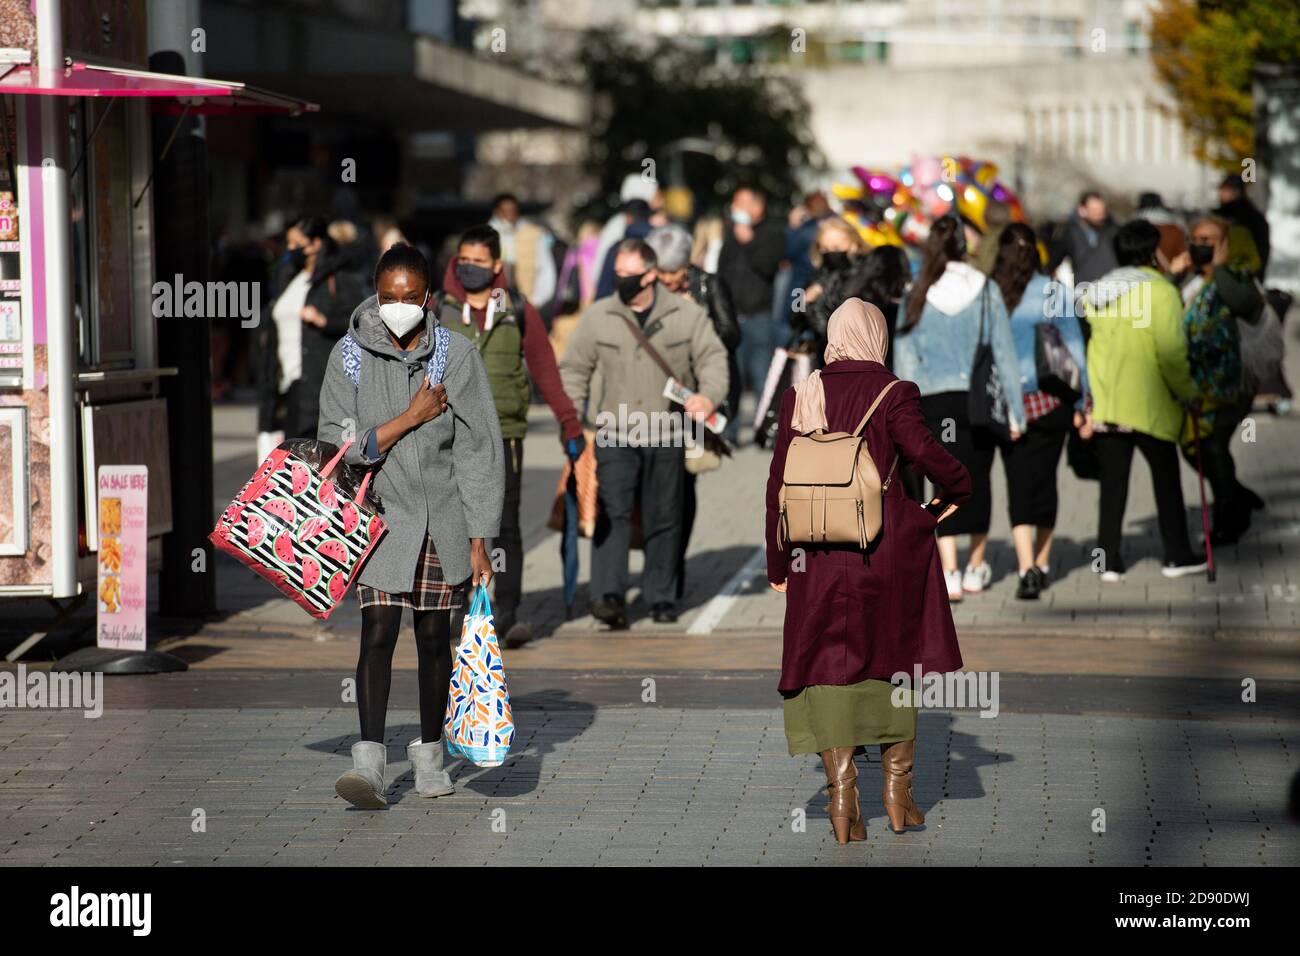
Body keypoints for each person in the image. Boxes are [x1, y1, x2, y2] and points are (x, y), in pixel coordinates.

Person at [765, 298, 971, 842]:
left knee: (828, 661)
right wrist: (959, 487)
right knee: (895, 658)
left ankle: (841, 798)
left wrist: (778, 559)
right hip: (884, 548)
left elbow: (777, 485)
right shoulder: (894, 391)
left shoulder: (801, 393)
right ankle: (899, 796)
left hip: (815, 552)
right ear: (878, 337)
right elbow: (923, 451)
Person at [317, 243, 504, 809]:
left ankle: (429, 755)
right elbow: (340, 445)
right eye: (388, 297)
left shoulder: (457, 355)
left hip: (442, 521)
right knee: (377, 632)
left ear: (428, 297)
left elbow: (479, 451)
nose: (399, 307)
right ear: (377, 295)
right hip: (379, 521)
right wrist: (410, 418)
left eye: (410, 297)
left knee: (431, 638)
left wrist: (480, 540)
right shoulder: (348, 356)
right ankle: (369, 763)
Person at [559, 238, 729, 627]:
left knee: (664, 516)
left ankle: (661, 597)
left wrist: (708, 395)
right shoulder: (600, 315)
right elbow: (574, 368)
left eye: (629, 275)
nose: (620, 281)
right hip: (615, 432)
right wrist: (572, 418)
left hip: (667, 432)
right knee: (612, 513)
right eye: (617, 274)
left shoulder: (685, 315)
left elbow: (713, 357)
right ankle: (608, 596)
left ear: (651, 274)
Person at [431, 224, 585, 647]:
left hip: (506, 436)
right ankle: (457, 611)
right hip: (450, 436)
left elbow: (545, 371)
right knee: (456, 526)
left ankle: (508, 613)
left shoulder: (516, 308)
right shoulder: (438, 309)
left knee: (506, 528)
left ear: (497, 265)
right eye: (464, 261)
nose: (470, 269)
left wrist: (569, 424)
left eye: (479, 262)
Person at [893, 216, 1026, 601]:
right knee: (977, 479)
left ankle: (948, 569)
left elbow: (905, 357)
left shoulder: (917, 291)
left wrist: (905, 412)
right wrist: (1016, 413)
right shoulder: (985, 289)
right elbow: (1003, 352)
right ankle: (975, 566)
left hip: (934, 401)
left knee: (942, 480)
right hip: (977, 401)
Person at [1080, 219, 1206, 580]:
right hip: (1151, 402)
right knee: (1166, 482)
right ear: (1152, 252)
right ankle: (1177, 555)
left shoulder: (1097, 293)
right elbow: (1171, 352)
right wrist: (1189, 393)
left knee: (1113, 485)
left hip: (1109, 402)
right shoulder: (1162, 292)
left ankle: (1109, 561)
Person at [990, 223, 1089, 600]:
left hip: (1007, 405)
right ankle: (1043, 562)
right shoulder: (1053, 291)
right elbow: (1076, 349)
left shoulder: (992, 294)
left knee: (1018, 484)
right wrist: (1083, 403)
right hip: (1051, 400)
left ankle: (1024, 564)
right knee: (1046, 482)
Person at [646, 224, 741, 600]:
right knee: (652, 487)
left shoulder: (709, 286)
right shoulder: (645, 286)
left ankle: (673, 568)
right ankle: (659, 564)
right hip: (648, 398)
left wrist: (696, 320)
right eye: (661, 273)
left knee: (683, 484)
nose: (667, 281)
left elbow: (733, 335)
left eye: (674, 273)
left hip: (694, 399)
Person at [1170, 217, 1266, 544]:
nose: (1200, 244)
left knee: (1212, 445)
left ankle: (1229, 517)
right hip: (1196, 384)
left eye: (1208, 239)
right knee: (1194, 446)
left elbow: (1243, 304)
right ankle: (1235, 496)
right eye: (1195, 238)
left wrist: (1220, 267)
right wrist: (1173, 275)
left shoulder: (1238, 276)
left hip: (1230, 383)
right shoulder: (1190, 281)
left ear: (1224, 242)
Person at [256, 215, 361, 459]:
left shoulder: (338, 277)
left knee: (311, 459)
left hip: (317, 383)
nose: (291, 249)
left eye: (296, 243)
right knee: (292, 458)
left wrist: (324, 321)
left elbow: (360, 319)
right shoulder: (289, 276)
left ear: (315, 244)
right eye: (288, 243)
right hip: (286, 383)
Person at [717, 185, 786, 438]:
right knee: (731, 376)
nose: (736, 208)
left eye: (741, 203)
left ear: (757, 207)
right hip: (733, 316)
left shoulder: (771, 234)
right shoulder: (729, 233)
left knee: (761, 377)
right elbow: (723, 270)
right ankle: (730, 431)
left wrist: (749, 241)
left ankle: (764, 430)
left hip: (760, 317)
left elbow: (768, 266)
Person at [488, 193, 557, 312]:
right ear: (496, 212)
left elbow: (546, 269)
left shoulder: (533, 234)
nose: (509, 215)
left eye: (512, 211)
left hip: (526, 300)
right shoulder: (486, 235)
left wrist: (536, 300)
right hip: (495, 303)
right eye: (504, 211)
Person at [1047, 191, 1119, 286]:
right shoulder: (1069, 234)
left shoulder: (1113, 231)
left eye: (1101, 210)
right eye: (1094, 210)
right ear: (1082, 210)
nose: (1099, 214)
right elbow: (1052, 262)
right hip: (1084, 292)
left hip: (1113, 290)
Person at [1215, 174, 1270, 274]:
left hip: (1241, 270)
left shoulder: (1240, 216)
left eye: (1225, 190)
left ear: (1236, 192)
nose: (1220, 194)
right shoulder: (1250, 214)